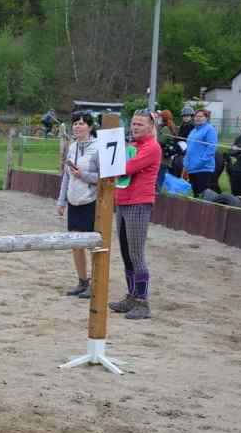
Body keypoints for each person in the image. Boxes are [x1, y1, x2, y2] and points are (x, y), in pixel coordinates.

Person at [109, 110, 161, 320]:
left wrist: (110, 163)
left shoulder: (151, 148)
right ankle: (131, 295)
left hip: (139, 203)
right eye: (133, 123)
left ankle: (142, 301)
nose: (135, 127)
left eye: (140, 124)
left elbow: (125, 168)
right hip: (123, 201)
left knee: (136, 253)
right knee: (126, 253)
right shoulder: (132, 146)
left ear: (150, 127)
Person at [57, 110, 100, 298]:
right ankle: (82, 281)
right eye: (75, 123)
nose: (78, 126)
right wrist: (61, 201)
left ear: (90, 127)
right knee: (75, 244)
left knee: (92, 245)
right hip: (74, 200)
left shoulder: (98, 148)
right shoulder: (72, 146)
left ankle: (96, 283)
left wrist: (83, 175)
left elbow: (104, 178)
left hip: (90, 201)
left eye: (82, 123)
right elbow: (66, 175)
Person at [183, 108, 217, 197]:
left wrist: (201, 162)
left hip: (203, 168)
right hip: (192, 168)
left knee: (203, 195)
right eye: (196, 116)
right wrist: (186, 162)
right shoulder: (193, 131)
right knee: (196, 194)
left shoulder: (210, 130)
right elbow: (189, 147)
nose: (198, 118)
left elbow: (211, 148)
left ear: (206, 118)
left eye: (201, 116)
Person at [156, 110, 177, 194]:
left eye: (160, 117)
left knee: (158, 182)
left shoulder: (165, 128)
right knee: (159, 179)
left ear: (163, 118)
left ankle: (158, 196)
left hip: (163, 159)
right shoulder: (169, 127)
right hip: (165, 159)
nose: (158, 118)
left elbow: (159, 140)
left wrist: (156, 130)